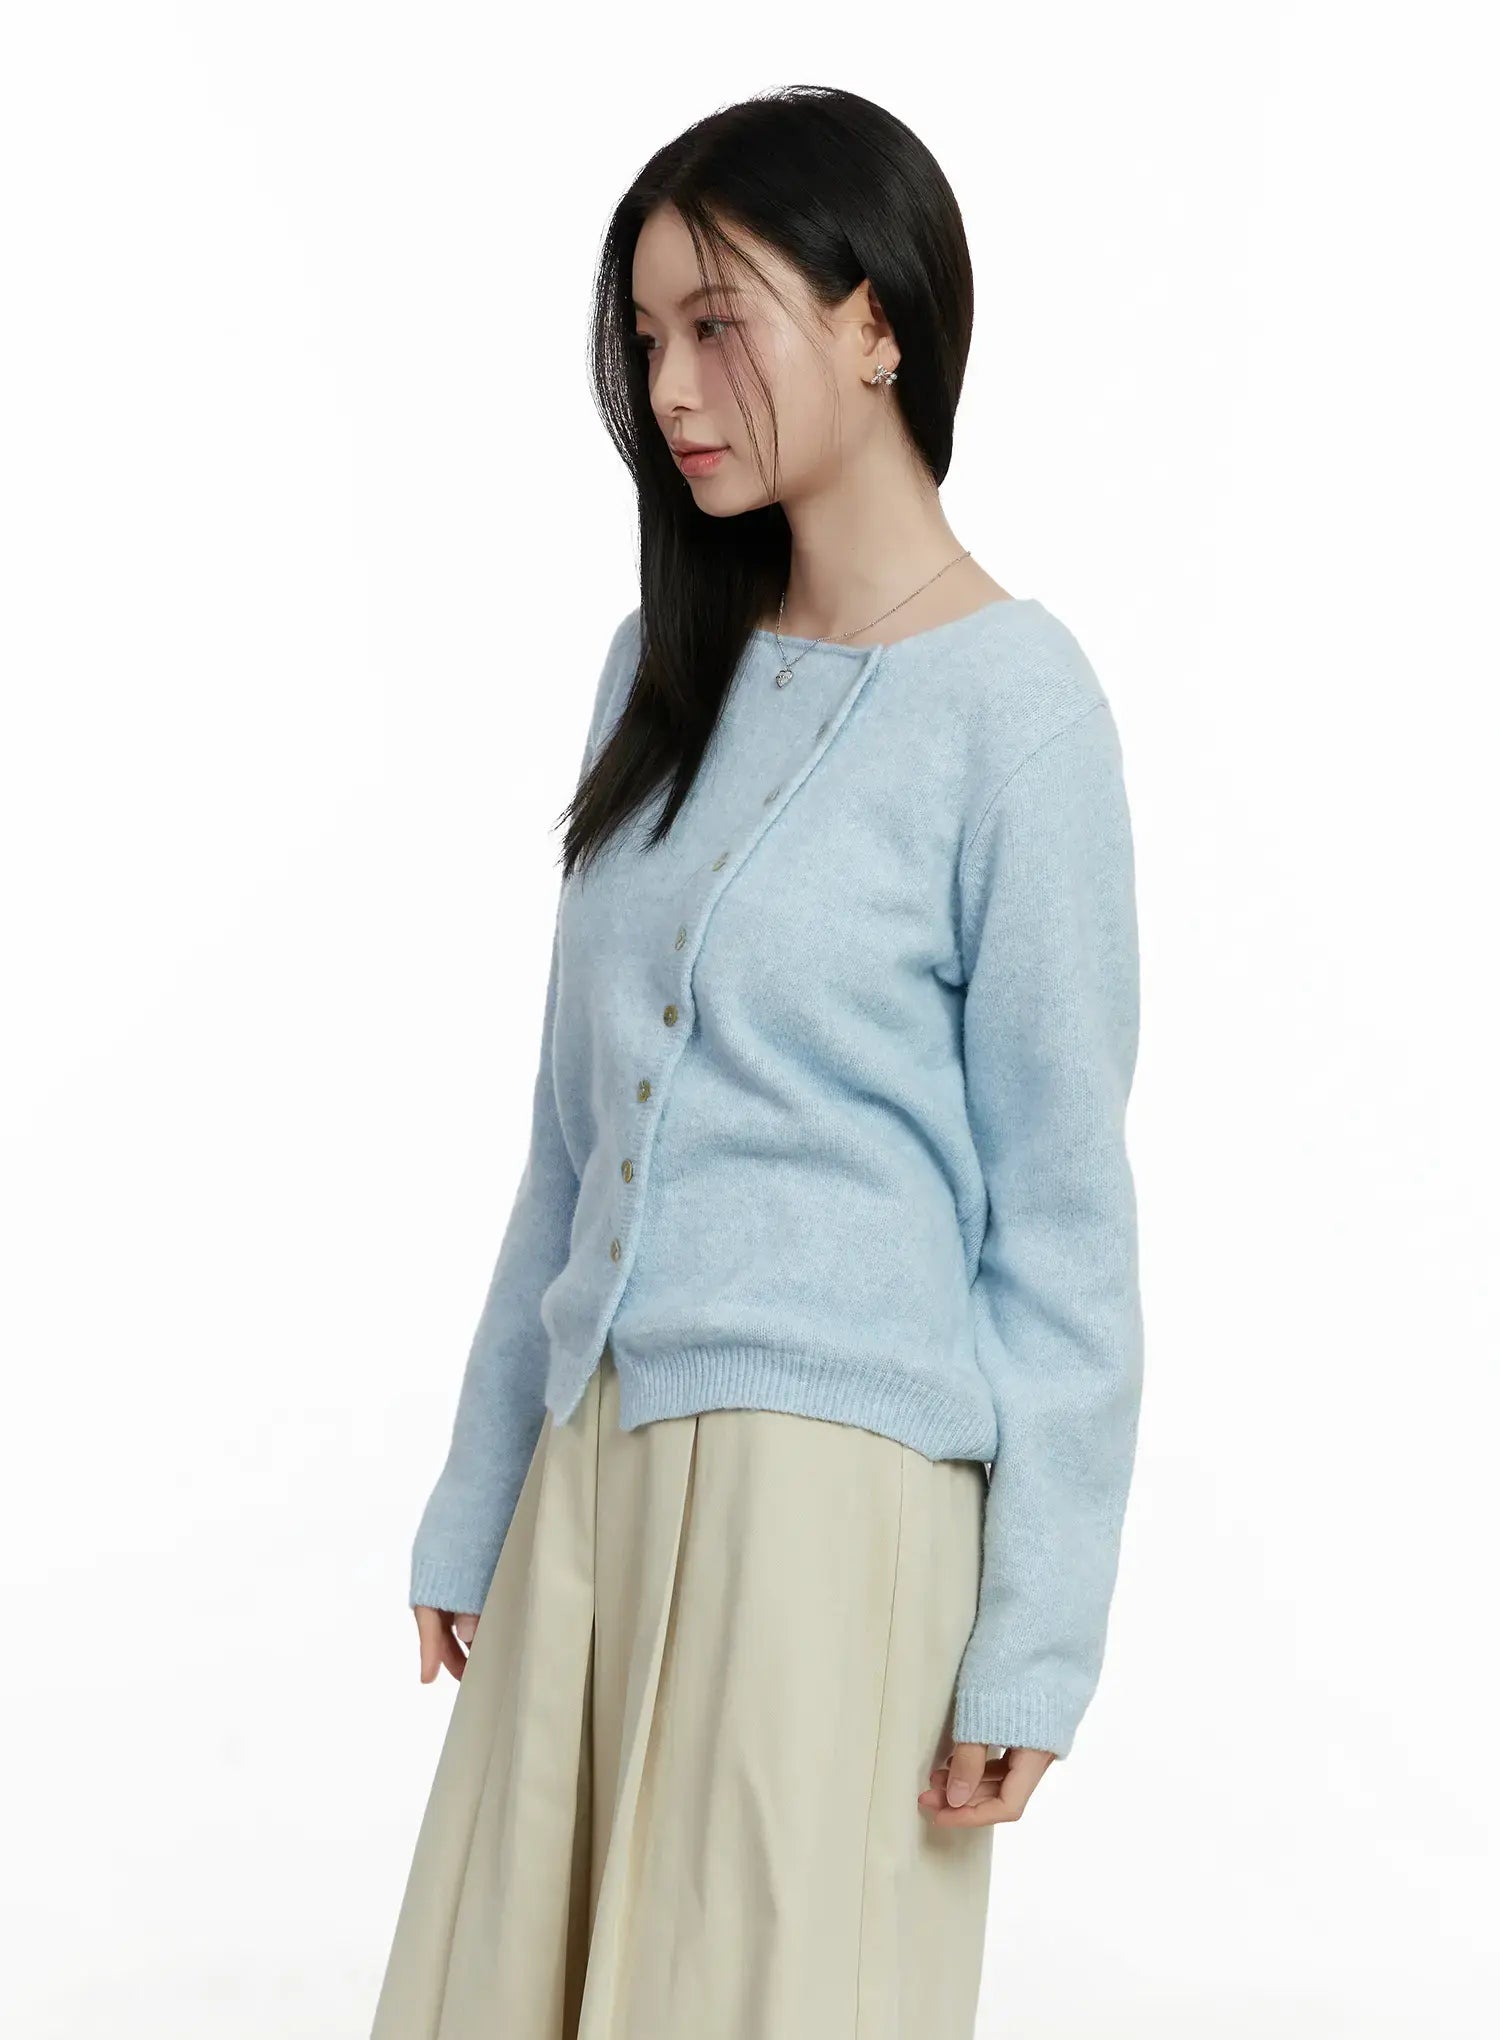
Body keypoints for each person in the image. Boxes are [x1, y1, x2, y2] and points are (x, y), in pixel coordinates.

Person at [369, 82, 1143, 2040]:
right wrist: (484, 1485)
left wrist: (1037, 1639)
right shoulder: (655, 669)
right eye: (644, 339)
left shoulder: (1018, 712)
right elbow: (570, 1145)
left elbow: (1063, 1216)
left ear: (878, 322)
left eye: (720, 326)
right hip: (593, 1472)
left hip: (832, 1516)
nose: (671, 391)